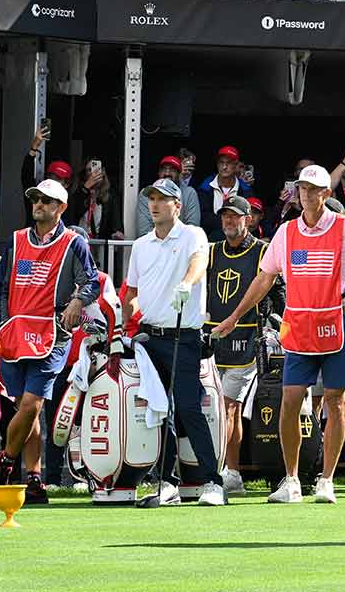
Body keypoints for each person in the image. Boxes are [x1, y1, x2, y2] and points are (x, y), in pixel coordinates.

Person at [211, 165, 345, 506]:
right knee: (290, 401)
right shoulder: (286, 232)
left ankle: (326, 480)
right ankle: (292, 480)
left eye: (314, 189)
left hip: (338, 322)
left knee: (335, 400)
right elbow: (265, 278)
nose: (307, 195)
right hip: (299, 325)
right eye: (303, 188)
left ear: (326, 193)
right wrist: (234, 316)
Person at [0, 179, 99, 504]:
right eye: (35, 198)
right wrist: (3, 323)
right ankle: (35, 478)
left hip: (53, 335)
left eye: (46, 200)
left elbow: (91, 281)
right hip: (16, 334)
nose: (38, 204)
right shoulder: (17, 239)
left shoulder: (73, 243)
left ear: (61, 207)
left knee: (32, 403)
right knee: (26, 409)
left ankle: (5, 460)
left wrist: (77, 301)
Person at [121, 177, 222, 505]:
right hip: (150, 337)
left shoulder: (193, 234)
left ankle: (213, 482)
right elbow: (133, 291)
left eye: (162, 199)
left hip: (184, 337)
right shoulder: (141, 245)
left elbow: (199, 262)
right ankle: (167, 482)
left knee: (188, 408)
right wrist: (125, 319)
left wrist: (186, 284)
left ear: (177, 205)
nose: (154, 204)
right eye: (151, 198)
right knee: (157, 408)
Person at [203, 195, 282, 496]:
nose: (229, 220)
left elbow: (279, 294)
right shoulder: (212, 251)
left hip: (248, 339)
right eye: (225, 215)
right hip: (213, 338)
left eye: (235, 216)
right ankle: (222, 471)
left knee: (228, 406)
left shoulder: (263, 251)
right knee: (214, 407)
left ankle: (229, 472)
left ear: (248, 219)